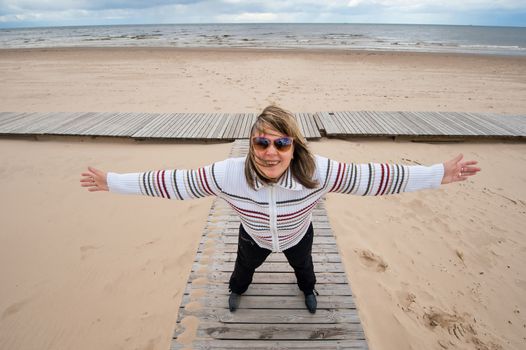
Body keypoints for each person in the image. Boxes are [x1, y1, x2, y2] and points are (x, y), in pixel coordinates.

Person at [80, 105, 480, 314]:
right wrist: (112, 181)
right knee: (242, 271)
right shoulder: (228, 175)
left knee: (304, 269)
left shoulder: (317, 172)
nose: (271, 152)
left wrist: (435, 175)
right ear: (251, 145)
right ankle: (237, 291)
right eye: (262, 143)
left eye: (281, 143)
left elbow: (374, 177)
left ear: (295, 146)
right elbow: (173, 183)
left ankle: (308, 290)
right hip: (252, 236)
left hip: (297, 235)